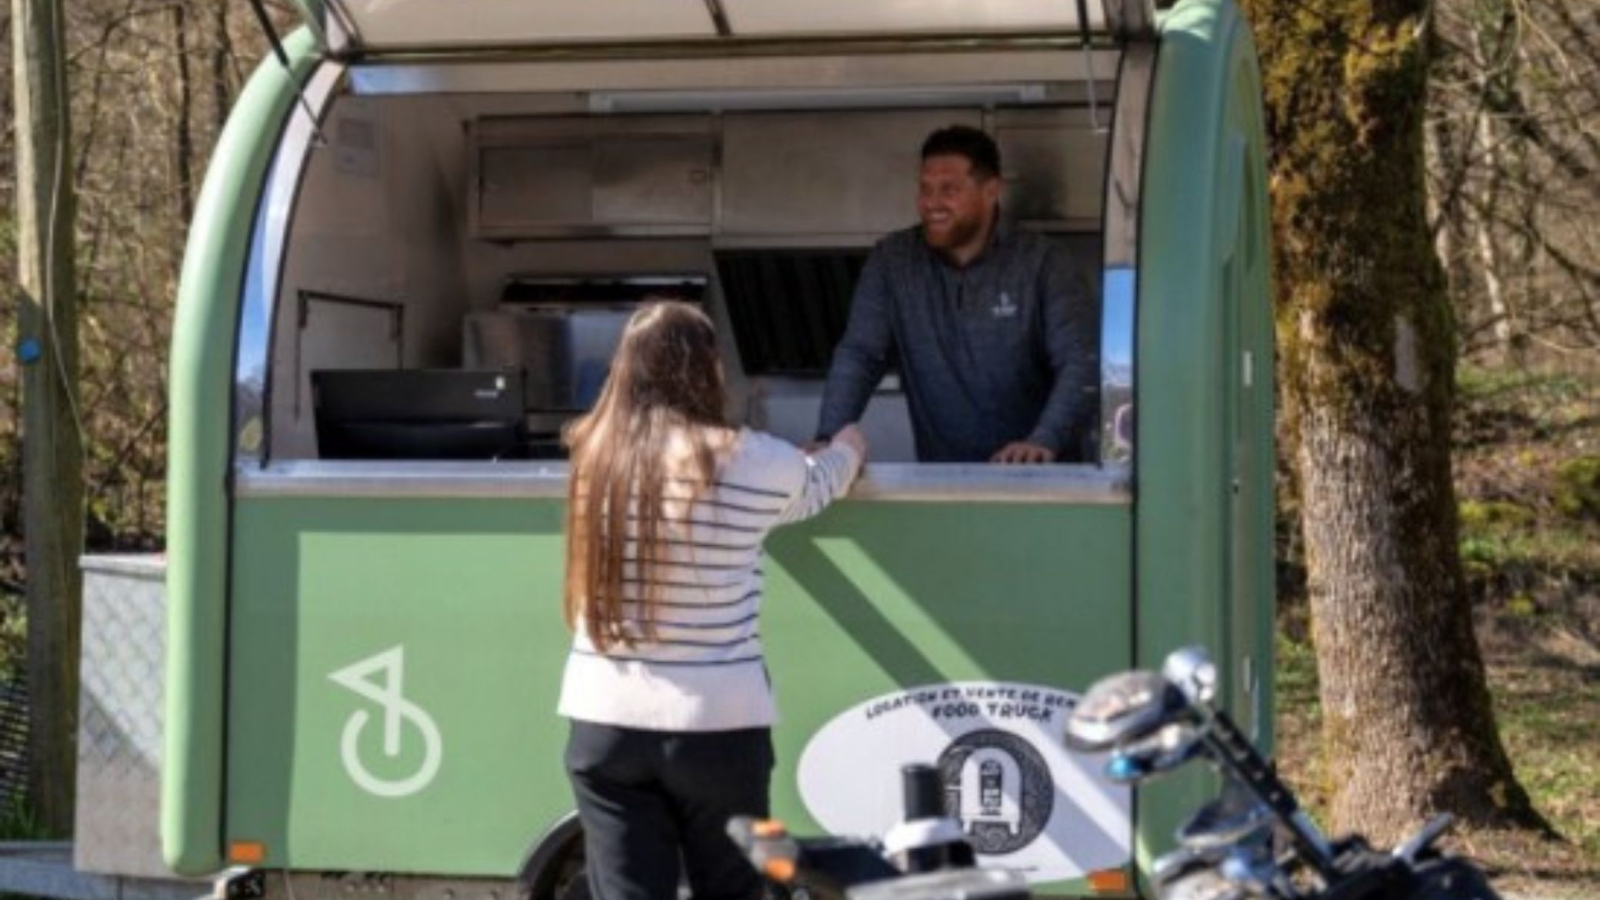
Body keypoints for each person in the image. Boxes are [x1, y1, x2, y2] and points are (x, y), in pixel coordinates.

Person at [557, 301, 866, 900]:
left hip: (604, 722)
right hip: (719, 727)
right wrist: (849, 444)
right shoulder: (754, 460)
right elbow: (821, 483)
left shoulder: (592, 456)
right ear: (708, 370)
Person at [813, 125, 1099, 463]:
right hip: (944, 485)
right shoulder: (893, 261)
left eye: (949, 189)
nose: (932, 203)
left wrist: (1042, 441)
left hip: (1046, 483)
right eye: (925, 189)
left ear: (991, 190)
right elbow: (860, 355)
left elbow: (1081, 362)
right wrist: (828, 438)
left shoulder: (1044, 263)